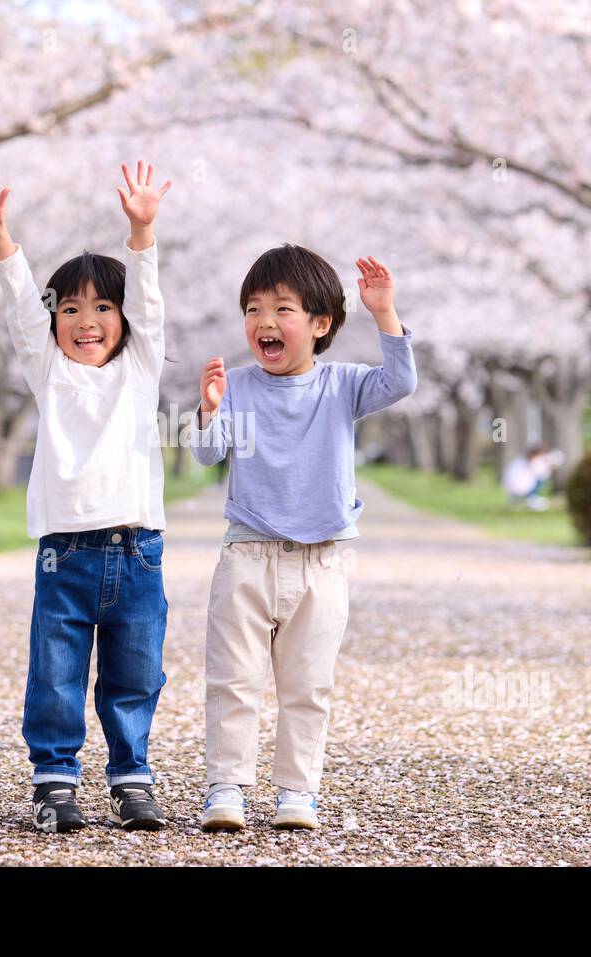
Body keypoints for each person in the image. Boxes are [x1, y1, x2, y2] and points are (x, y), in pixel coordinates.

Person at [0, 162, 172, 833]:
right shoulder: (48, 373)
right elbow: (23, 304)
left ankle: (131, 778)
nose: (86, 321)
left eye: (102, 308)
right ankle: (54, 781)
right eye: (71, 309)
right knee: (55, 673)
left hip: (137, 551)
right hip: (64, 556)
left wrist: (141, 230)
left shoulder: (140, 368)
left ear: (124, 319)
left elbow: (149, 301)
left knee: (135, 673)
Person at [187, 248, 418, 830]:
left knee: (308, 685)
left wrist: (384, 313)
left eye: (282, 309)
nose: (265, 321)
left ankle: (296, 790)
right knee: (233, 680)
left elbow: (401, 380)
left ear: (320, 325)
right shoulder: (237, 385)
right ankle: (227, 788)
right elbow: (208, 453)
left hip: (322, 562)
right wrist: (209, 410)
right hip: (247, 556)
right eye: (254, 308)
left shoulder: (342, 386)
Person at [502, 445, 560, 511]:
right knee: (541, 479)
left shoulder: (520, 459)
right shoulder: (532, 461)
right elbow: (542, 474)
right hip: (520, 488)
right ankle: (531, 499)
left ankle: (518, 500)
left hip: (509, 488)